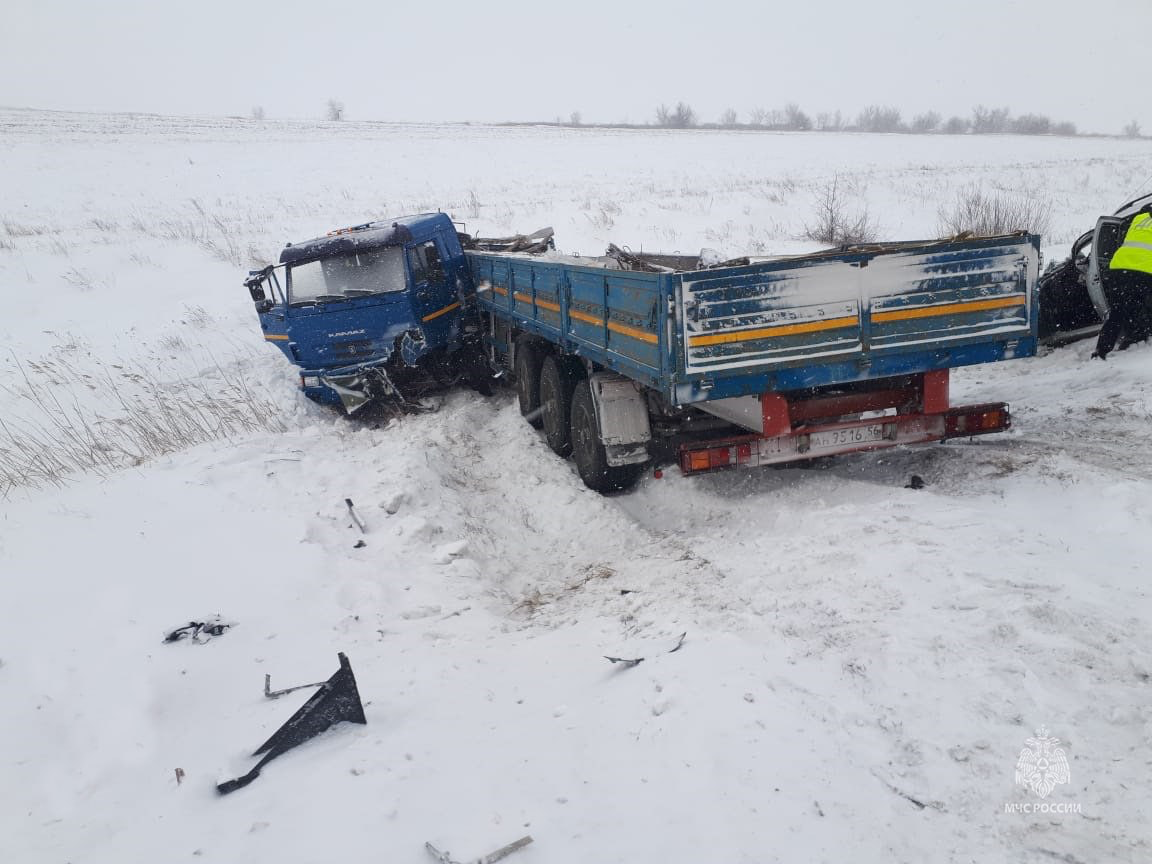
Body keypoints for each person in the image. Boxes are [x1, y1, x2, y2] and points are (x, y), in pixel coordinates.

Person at [1094, 204, 1152, 359]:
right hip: (1144, 269)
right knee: (1142, 306)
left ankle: (1101, 350)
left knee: (1118, 311)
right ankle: (1136, 337)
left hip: (1119, 268)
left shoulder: (1139, 218)